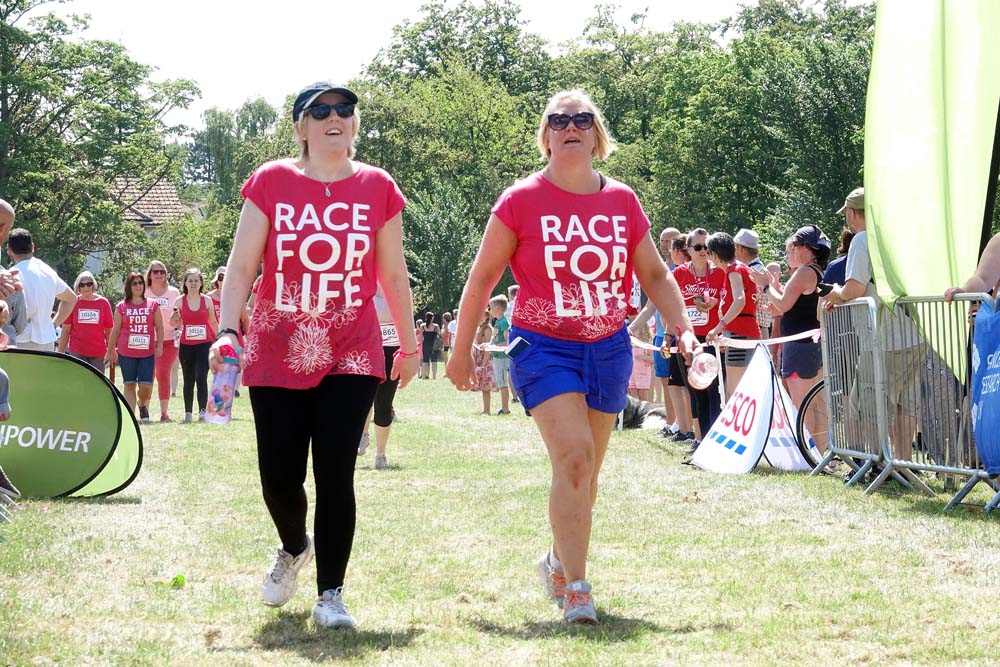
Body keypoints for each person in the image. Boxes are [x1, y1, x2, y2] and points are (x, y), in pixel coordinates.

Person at [446, 89, 696, 625]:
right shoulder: (520, 200)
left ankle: (558, 560)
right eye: (558, 120)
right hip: (543, 345)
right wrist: (462, 346)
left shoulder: (622, 201)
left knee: (588, 473)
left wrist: (684, 326)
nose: (570, 126)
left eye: (582, 118)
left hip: (607, 347)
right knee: (576, 458)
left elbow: (654, 274)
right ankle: (578, 589)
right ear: (547, 136)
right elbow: (483, 277)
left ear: (596, 133)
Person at [208, 81, 419, 629]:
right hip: (277, 345)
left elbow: (392, 273)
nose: (335, 117)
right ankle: (294, 545)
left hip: (351, 347)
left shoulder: (379, 187)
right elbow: (240, 266)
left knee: (334, 472)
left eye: (344, 110)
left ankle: (331, 594)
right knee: (278, 475)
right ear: (301, 127)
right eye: (320, 111)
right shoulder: (271, 182)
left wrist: (410, 340)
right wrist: (228, 330)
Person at [824, 187, 922, 458]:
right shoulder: (896, 238)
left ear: (853, 213)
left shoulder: (862, 239)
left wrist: (836, 293)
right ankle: (903, 465)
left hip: (883, 339)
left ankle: (878, 464)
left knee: (867, 405)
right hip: (914, 334)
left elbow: (854, 288)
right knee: (905, 405)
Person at [756, 225, 830, 444]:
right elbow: (787, 307)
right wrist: (776, 296)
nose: (790, 252)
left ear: (805, 247)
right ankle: (818, 453)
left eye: (793, 247)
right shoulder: (815, 271)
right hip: (810, 344)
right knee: (816, 403)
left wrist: (767, 287)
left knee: (803, 404)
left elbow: (784, 305)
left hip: (799, 345)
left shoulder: (804, 272)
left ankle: (808, 454)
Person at [672, 227, 725, 450]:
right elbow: (672, 307)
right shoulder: (679, 273)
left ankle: (714, 439)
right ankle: (701, 439)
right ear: (689, 250)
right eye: (698, 247)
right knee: (696, 389)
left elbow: (728, 301)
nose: (703, 251)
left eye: (707, 247)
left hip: (712, 338)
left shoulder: (720, 272)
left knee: (714, 390)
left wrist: (715, 304)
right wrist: (667, 335)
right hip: (687, 339)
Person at [706, 232, 762, 398]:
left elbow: (739, 301)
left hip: (741, 334)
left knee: (735, 394)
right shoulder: (739, 268)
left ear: (715, 255)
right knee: (737, 391)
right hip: (741, 333)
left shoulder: (734, 270)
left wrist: (718, 327)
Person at [5, 228, 76, 351]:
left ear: (9, 250)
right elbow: (71, 299)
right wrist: (53, 325)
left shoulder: (10, 274)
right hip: (46, 339)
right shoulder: (48, 271)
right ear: (32, 247)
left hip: (19, 341)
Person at [106, 271, 164, 421]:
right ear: (129, 286)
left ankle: (142, 404)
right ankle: (131, 418)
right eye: (134, 283)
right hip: (127, 353)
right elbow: (116, 330)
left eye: (140, 282)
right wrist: (110, 350)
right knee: (129, 384)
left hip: (146, 354)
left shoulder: (153, 304)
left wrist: (159, 346)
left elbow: (159, 327)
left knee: (146, 387)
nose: (138, 286)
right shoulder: (121, 307)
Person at [358, 285, 402, 469]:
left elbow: (405, 323)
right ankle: (362, 435)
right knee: (364, 399)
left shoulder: (399, 288)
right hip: (368, 350)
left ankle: (380, 455)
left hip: (392, 353)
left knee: (384, 404)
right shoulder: (363, 285)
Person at [171, 268, 219, 423]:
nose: (193, 283)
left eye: (196, 280)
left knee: (201, 376)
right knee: (188, 379)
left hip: (204, 345)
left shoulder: (207, 301)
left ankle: (203, 411)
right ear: (185, 283)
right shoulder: (179, 301)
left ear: (201, 283)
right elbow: (173, 323)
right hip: (186, 346)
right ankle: (188, 413)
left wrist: (220, 338)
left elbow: (212, 322)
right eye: (190, 280)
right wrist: (175, 316)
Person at [145, 260, 181, 421]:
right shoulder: (143, 291)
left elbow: (180, 314)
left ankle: (164, 413)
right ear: (149, 274)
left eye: (162, 272)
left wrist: (178, 325)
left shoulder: (174, 292)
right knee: (148, 375)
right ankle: (144, 411)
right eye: (155, 272)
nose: (159, 275)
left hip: (168, 340)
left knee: (163, 373)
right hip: (148, 340)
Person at [57, 271, 113, 371]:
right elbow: (66, 330)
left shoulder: (103, 303)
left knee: (96, 383)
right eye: (82, 285)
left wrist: (111, 351)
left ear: (93, 285)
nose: (86, 287)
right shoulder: (73, 302)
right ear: (78, 287)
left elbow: (109, 330)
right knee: (78, 382)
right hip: (77, 351)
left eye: (89, 284)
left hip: (98, 353)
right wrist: (60, 353)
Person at [471, 309, 498, 414]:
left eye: (483, 316)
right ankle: (484, 409)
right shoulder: (478, 329)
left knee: (486, 387)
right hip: (478, 359)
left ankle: (487, 410)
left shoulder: (487, 329)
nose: (481, 318)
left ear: (487, 317)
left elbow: (488, 348)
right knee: (482, 387)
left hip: (485, 362)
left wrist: (483, 364)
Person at [487, 294, 511, 414]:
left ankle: (505, 408)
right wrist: (488, 345)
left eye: (490, 307)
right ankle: (504, 407)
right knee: (500, 382)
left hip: (501, 356)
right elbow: (496, 338)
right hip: (496, 356)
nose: (489, 310)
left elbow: (506, 341)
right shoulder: (498, 322)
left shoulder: (503, 322)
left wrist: (494, 346)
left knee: (503, 383)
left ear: (497, 308)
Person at [419, 311, 441, 379]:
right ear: (432, 318)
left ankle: (423, 376)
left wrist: (422, 345)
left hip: (425, 345)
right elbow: (439, 335)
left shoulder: (422, 326)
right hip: (434, 346)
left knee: (425, 361)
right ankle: (434, 376)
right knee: (434, 361)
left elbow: (420, 337)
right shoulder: (436, 326)